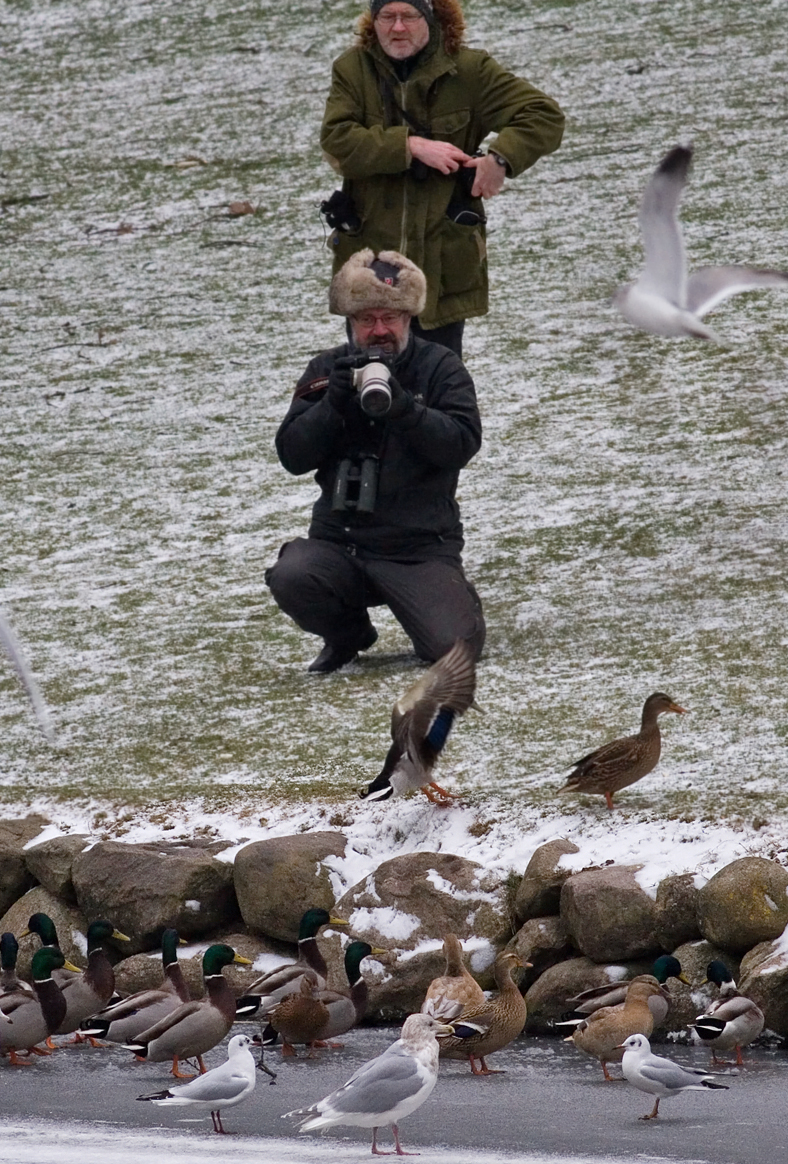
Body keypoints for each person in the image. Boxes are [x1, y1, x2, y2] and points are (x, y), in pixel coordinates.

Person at [267, 249, 485, 673]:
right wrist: (331, 406)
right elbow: (291, 456)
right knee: (292, 575)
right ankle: (348, 634)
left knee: (451, 648)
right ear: (350, 322)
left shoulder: (440, 368)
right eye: (367, 319)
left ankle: (453, 600)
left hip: (418, 547)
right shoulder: (327, 370)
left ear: (409, 318)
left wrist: (406, 410)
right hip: (339, 542)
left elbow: (462, 444)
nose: (379, 330)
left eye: (390, 317)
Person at [320, 0, 563, 356]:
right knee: (369, 377)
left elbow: (543, 115)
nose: (397, 27)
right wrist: (411, 147)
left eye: (409, 15)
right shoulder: (352, 70)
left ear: (431, 16)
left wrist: (500, 159)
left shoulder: (469, 71)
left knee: (438, 378)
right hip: (370, 262)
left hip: (442, 260)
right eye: (387, 16)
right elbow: (337, 140)